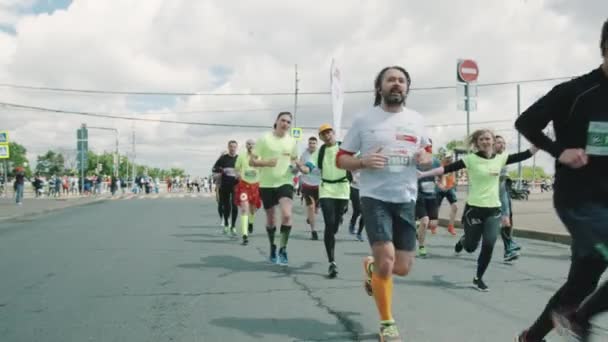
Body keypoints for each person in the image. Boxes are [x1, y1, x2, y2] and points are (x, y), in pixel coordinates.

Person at [513, 18, 608, 342]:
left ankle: (531, 337)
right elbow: (526, 122)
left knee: (581, 284)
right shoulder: (575, 91)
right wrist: (560, 150)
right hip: (579, 199)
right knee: (585, 283)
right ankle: (579, 318)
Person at [337, 65, 431, 341]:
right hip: (374, 196)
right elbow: (340, 158)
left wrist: (426, 157)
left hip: (405, 198)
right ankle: (387, 322)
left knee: (402, 267)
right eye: (391, 80)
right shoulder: (365, 120)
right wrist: (363, 161)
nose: (396, 84)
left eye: (402, 81)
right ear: (380, 87)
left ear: (407, 88)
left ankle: (370, 267)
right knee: (387, 262)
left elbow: (426, 149)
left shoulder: (416, 119)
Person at [418, 129, 536, 292]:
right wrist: (424, 174)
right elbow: (446, 169)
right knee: (471, 247)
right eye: (482, 139)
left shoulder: (501, 158)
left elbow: (525, 154)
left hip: (493, 210)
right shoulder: (471, 160)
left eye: (488, 139)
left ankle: (478, 278)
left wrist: (539, 144)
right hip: (474, 209)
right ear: (477, 142)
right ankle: (463, 241)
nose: (485, 141)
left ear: (493, 141)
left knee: (489, 244)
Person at [250, 112, 305, 265]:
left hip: (285, 181)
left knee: (287, 215)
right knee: (271, 219)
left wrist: (299, 167)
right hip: (266, 184)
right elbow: (252, 161)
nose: (285, 124)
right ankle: (273, 246)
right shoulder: (264, 139)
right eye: (283, 120)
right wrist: (266, 163)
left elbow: (294, 160)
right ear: (276, 121)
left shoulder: (292, 142)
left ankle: (283, 248)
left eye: (288, 122)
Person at [302, 124, 350, 278]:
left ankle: (339, 219)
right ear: (321, 137)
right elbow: (309, 166)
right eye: (323, 134)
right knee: (329, 223)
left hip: (342, 188)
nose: (327, 135)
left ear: (333, 133)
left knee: (335, 223)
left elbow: (360, 155)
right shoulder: (320, 151)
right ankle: (332, 262)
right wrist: (302, 168)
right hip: (326, 188)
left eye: (329, 132)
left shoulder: (344, 147)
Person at [494, 135, 521, 263]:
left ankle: (509, 248)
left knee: (507, 219)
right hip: (488, 195)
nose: (502, 145)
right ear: (493, 144)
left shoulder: (504, 157)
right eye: (499, 143)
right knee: (477, 231)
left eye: (503, 143)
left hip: (503, 191)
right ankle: (465, 241)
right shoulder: (488, 158)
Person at [415, 143, 441, 258]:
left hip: (432, 196)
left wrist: (441, 183)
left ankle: (418, 228)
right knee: (425, 221)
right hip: (418, 196)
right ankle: (421, 246)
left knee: (433, 224)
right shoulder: (414, 162)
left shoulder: (435, 161)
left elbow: (441, 174)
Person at [234, 139, 261, 246]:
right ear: (246, 146)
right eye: (248, 144)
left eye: (252, 144)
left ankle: (251, 222)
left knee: (253, 209)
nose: (250, 146)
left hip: (256, 185)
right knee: (244, 208)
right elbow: (236, 168)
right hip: (244, 185)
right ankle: (245, 234)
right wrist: (238, 174)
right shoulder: (241, 156)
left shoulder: (259, 157)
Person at [213, 143, 239, 235]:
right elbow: (214, 168)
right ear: (228, 147)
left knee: (235, 206)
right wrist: (221, 171)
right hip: (225, 185)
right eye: (231, 147)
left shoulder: (239, 158)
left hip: (236, 185)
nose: (232, 148)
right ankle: (227, 224)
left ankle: (233, 226)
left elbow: (244, 169)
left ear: (237, 147)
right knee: (227, 206)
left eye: (234, 147)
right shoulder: (223, 158)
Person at [299, 136, 321, 240]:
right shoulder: (304, 155)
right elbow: (300, 166)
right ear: (308, 144)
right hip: (307, 184)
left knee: (316, 210)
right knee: (311, 207)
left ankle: (310, 217)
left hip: (319, 185)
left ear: (316, 144)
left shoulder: (320, 153)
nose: (312, 145)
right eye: (310, 143)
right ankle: (313, 231)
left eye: (313, 143)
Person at [435, 153, 458, 236]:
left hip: (449, 189)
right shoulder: (439, 166)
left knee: (455, 207)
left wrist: (453, 183)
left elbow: (454, 177)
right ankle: (434, 225)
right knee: (437, 208)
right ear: (443, 158)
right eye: (448, 157)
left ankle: (451, 226)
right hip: (440, 189)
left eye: (451, 157)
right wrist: (440, 186)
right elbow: (436, 178)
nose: (449, 159)